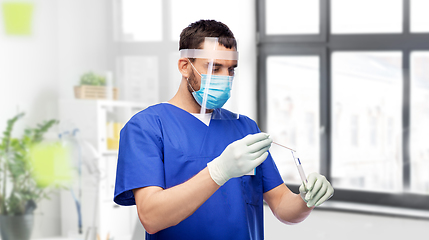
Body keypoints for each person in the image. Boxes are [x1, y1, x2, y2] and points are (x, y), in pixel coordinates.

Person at [114, 19, 334, 240]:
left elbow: (283, 207)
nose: (225, 78)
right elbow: (151, 218)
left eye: (230, 70)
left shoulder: (245, 128)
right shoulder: (146, 128)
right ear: (184, 66)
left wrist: (306, 200)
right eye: (214, 68)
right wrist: (218, 171)